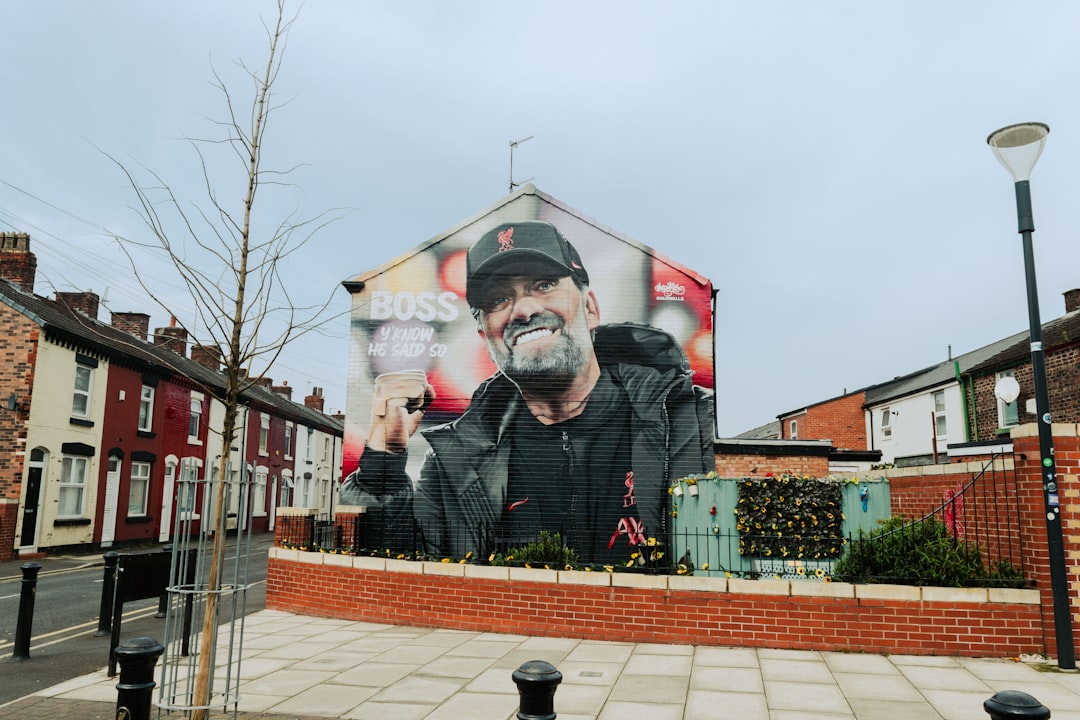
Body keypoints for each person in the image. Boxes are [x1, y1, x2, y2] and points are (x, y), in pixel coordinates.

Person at [340, 220, 714, 564]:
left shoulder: (688, 422)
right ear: (486, 337)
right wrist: (382, 463)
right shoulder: (455, 462)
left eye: (545, 285)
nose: (523, 309)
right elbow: (395, 567)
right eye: (499, 300)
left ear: (590, 308)